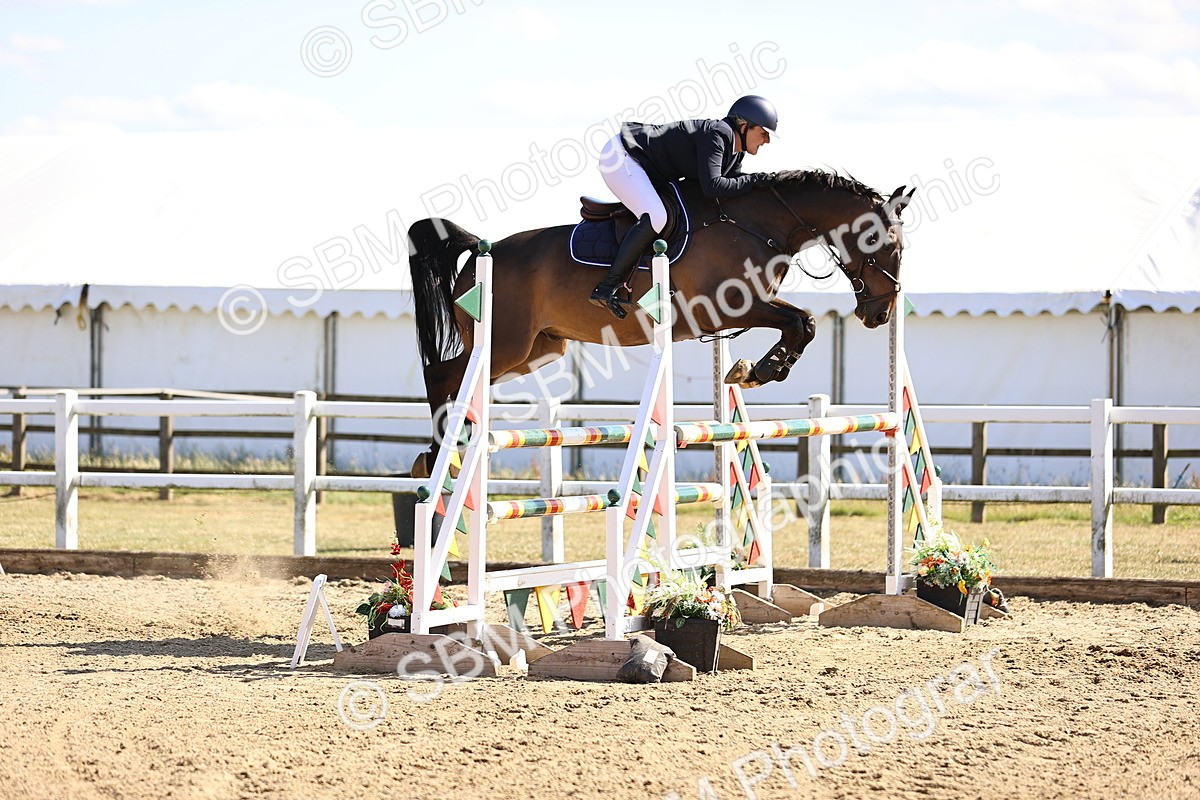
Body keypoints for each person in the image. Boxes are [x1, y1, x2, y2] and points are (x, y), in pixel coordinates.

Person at [588, 95, 778, 318]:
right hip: (621, 156)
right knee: (658, 216)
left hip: (649, 167)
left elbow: (733, 186)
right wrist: (758, 181)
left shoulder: (734, 152)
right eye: (764, 133)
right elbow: (713, 186)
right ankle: (607, 286)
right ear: (744, 126)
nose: (767, 140)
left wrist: (765, 187)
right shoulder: (718, 134)